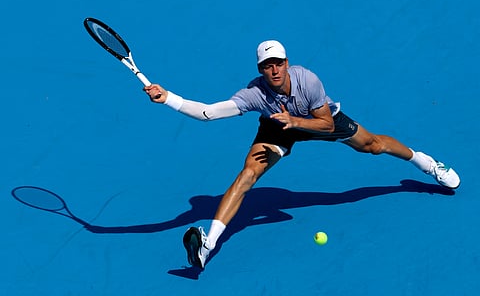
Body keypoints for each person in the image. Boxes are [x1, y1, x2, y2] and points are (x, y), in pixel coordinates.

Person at [144, 40, 460, 269]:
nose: (274, 69)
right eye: (267, 65)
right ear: (260, 70)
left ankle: (428, 164)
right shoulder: (255, 93)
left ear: (286, 62)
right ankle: (207, 244)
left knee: (373, 145)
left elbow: (323, 122)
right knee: (247, 176)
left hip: (315, 119)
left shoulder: (307, 80)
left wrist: (295, 121)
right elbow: (207, 113)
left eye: (278, 62)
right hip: (277, 129)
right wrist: (167, 97)